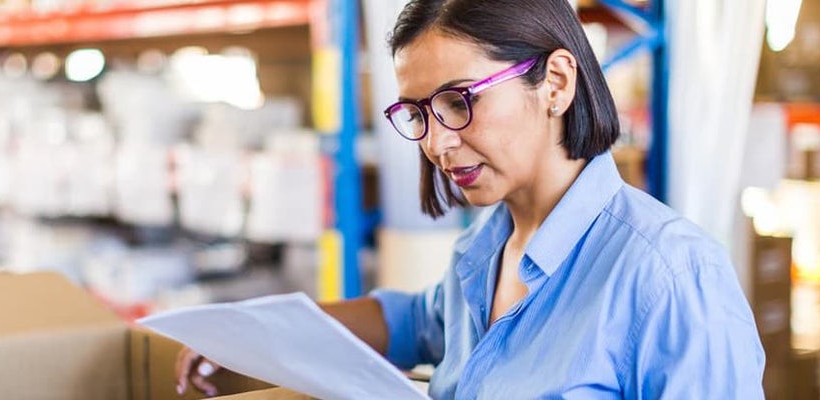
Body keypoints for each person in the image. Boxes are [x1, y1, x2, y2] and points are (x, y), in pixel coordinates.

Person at [176, 0, 766, 398]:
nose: (435, 142)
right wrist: (250, 338)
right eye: (417, 113)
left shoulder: (670, 275)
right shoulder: (484, 252)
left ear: (556, 83)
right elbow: (412, 321)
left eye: (460, 100)